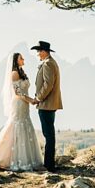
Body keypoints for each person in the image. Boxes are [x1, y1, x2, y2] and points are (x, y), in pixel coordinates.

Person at [32, 40, 63, 172]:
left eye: (39, 51)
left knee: (48, 135)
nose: (38, 54)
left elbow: (48, 84)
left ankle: (49, 165)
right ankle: (49, 163)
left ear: (44, 51)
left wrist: (38, 98)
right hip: (49, 104)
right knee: (49, 134)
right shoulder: (50, 63)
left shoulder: (48, 64)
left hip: (46, 104)